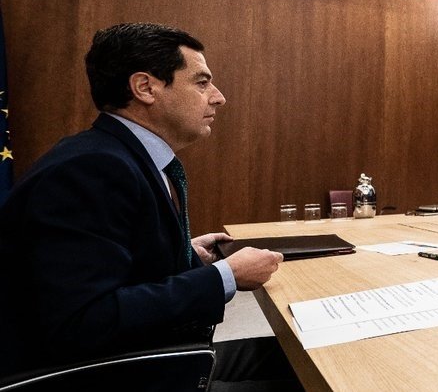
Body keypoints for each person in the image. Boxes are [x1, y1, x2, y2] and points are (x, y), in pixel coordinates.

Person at [0, 24, 299, 389]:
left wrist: (182, 253)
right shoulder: (90, 170)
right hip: (109, 374)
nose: (218, 97)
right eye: (202, 83)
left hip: (146, 353)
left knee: (298, 354)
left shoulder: (117, 155)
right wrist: (225, 277)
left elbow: (103, 263)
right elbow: (83, 319)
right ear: (145, 88)